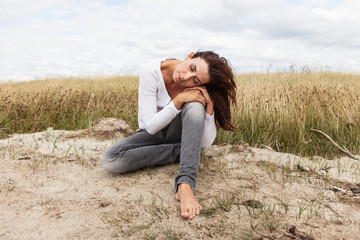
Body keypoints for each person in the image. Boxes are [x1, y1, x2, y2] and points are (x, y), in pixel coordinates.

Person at [101, 50, 237, 219]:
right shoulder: (151, 71)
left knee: (195, 105)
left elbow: (205, 144)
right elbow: (150, 127)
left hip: (177, 132)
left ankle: (186, 183)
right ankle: (183, 152)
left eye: (195, 80)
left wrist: (209, 106)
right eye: (191, 67)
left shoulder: (196, 89)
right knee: (110, 159)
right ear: (190, 56)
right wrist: (179, 100)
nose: (186, 77)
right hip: (152, 135)